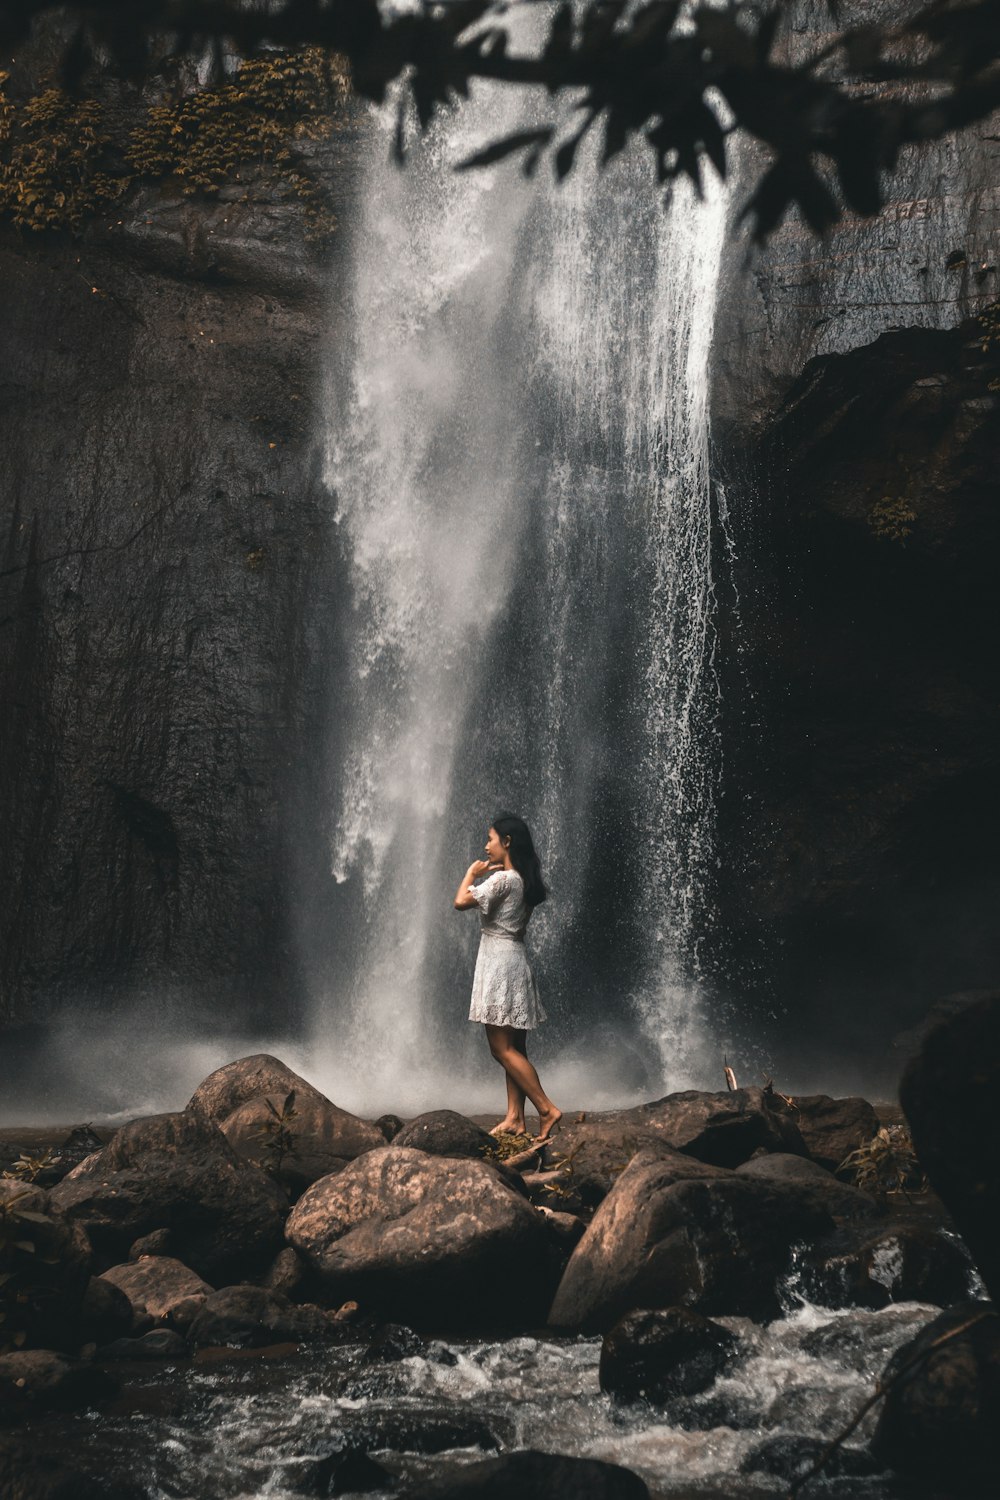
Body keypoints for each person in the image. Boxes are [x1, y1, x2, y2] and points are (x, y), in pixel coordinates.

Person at [453, 810, 562, 1143]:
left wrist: (470, 873)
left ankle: (546, 1109)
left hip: (499, 965)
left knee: (501, 1049)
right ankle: (515, 1117)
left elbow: (460, 902)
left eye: (490, 838)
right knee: (516, 1047)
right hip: (515, 960)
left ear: (507, 842)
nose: (486, 846)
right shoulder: (523, 881)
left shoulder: (502, 880)